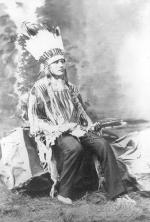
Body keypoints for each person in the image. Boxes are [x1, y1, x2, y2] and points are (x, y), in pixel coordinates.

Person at [17, 22, 136, 205]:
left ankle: (118, 193)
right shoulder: (39, 89)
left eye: (62, 61)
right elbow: (35, 120)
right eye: (56, 62)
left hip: (78, 128)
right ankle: (64, 193)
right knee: (74, 148)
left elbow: (81, 112)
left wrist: (89, 126)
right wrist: (62, 127)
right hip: (56, 132)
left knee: (103, 144)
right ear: (47, 66)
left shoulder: (71, 88)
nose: (61, 65)